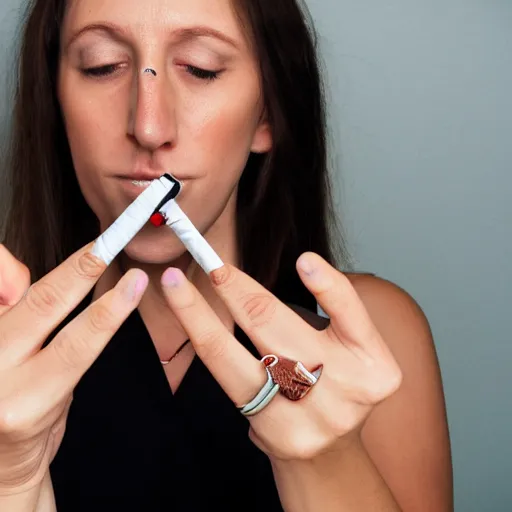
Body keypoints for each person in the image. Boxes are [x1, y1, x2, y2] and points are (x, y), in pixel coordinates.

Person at [0, 0, 453, 510]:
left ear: (267, 116)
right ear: (58, 106)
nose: (148, 127)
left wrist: (326, 464)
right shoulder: (9, 350)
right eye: (101, 66)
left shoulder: (366, 335)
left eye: (201, 68)